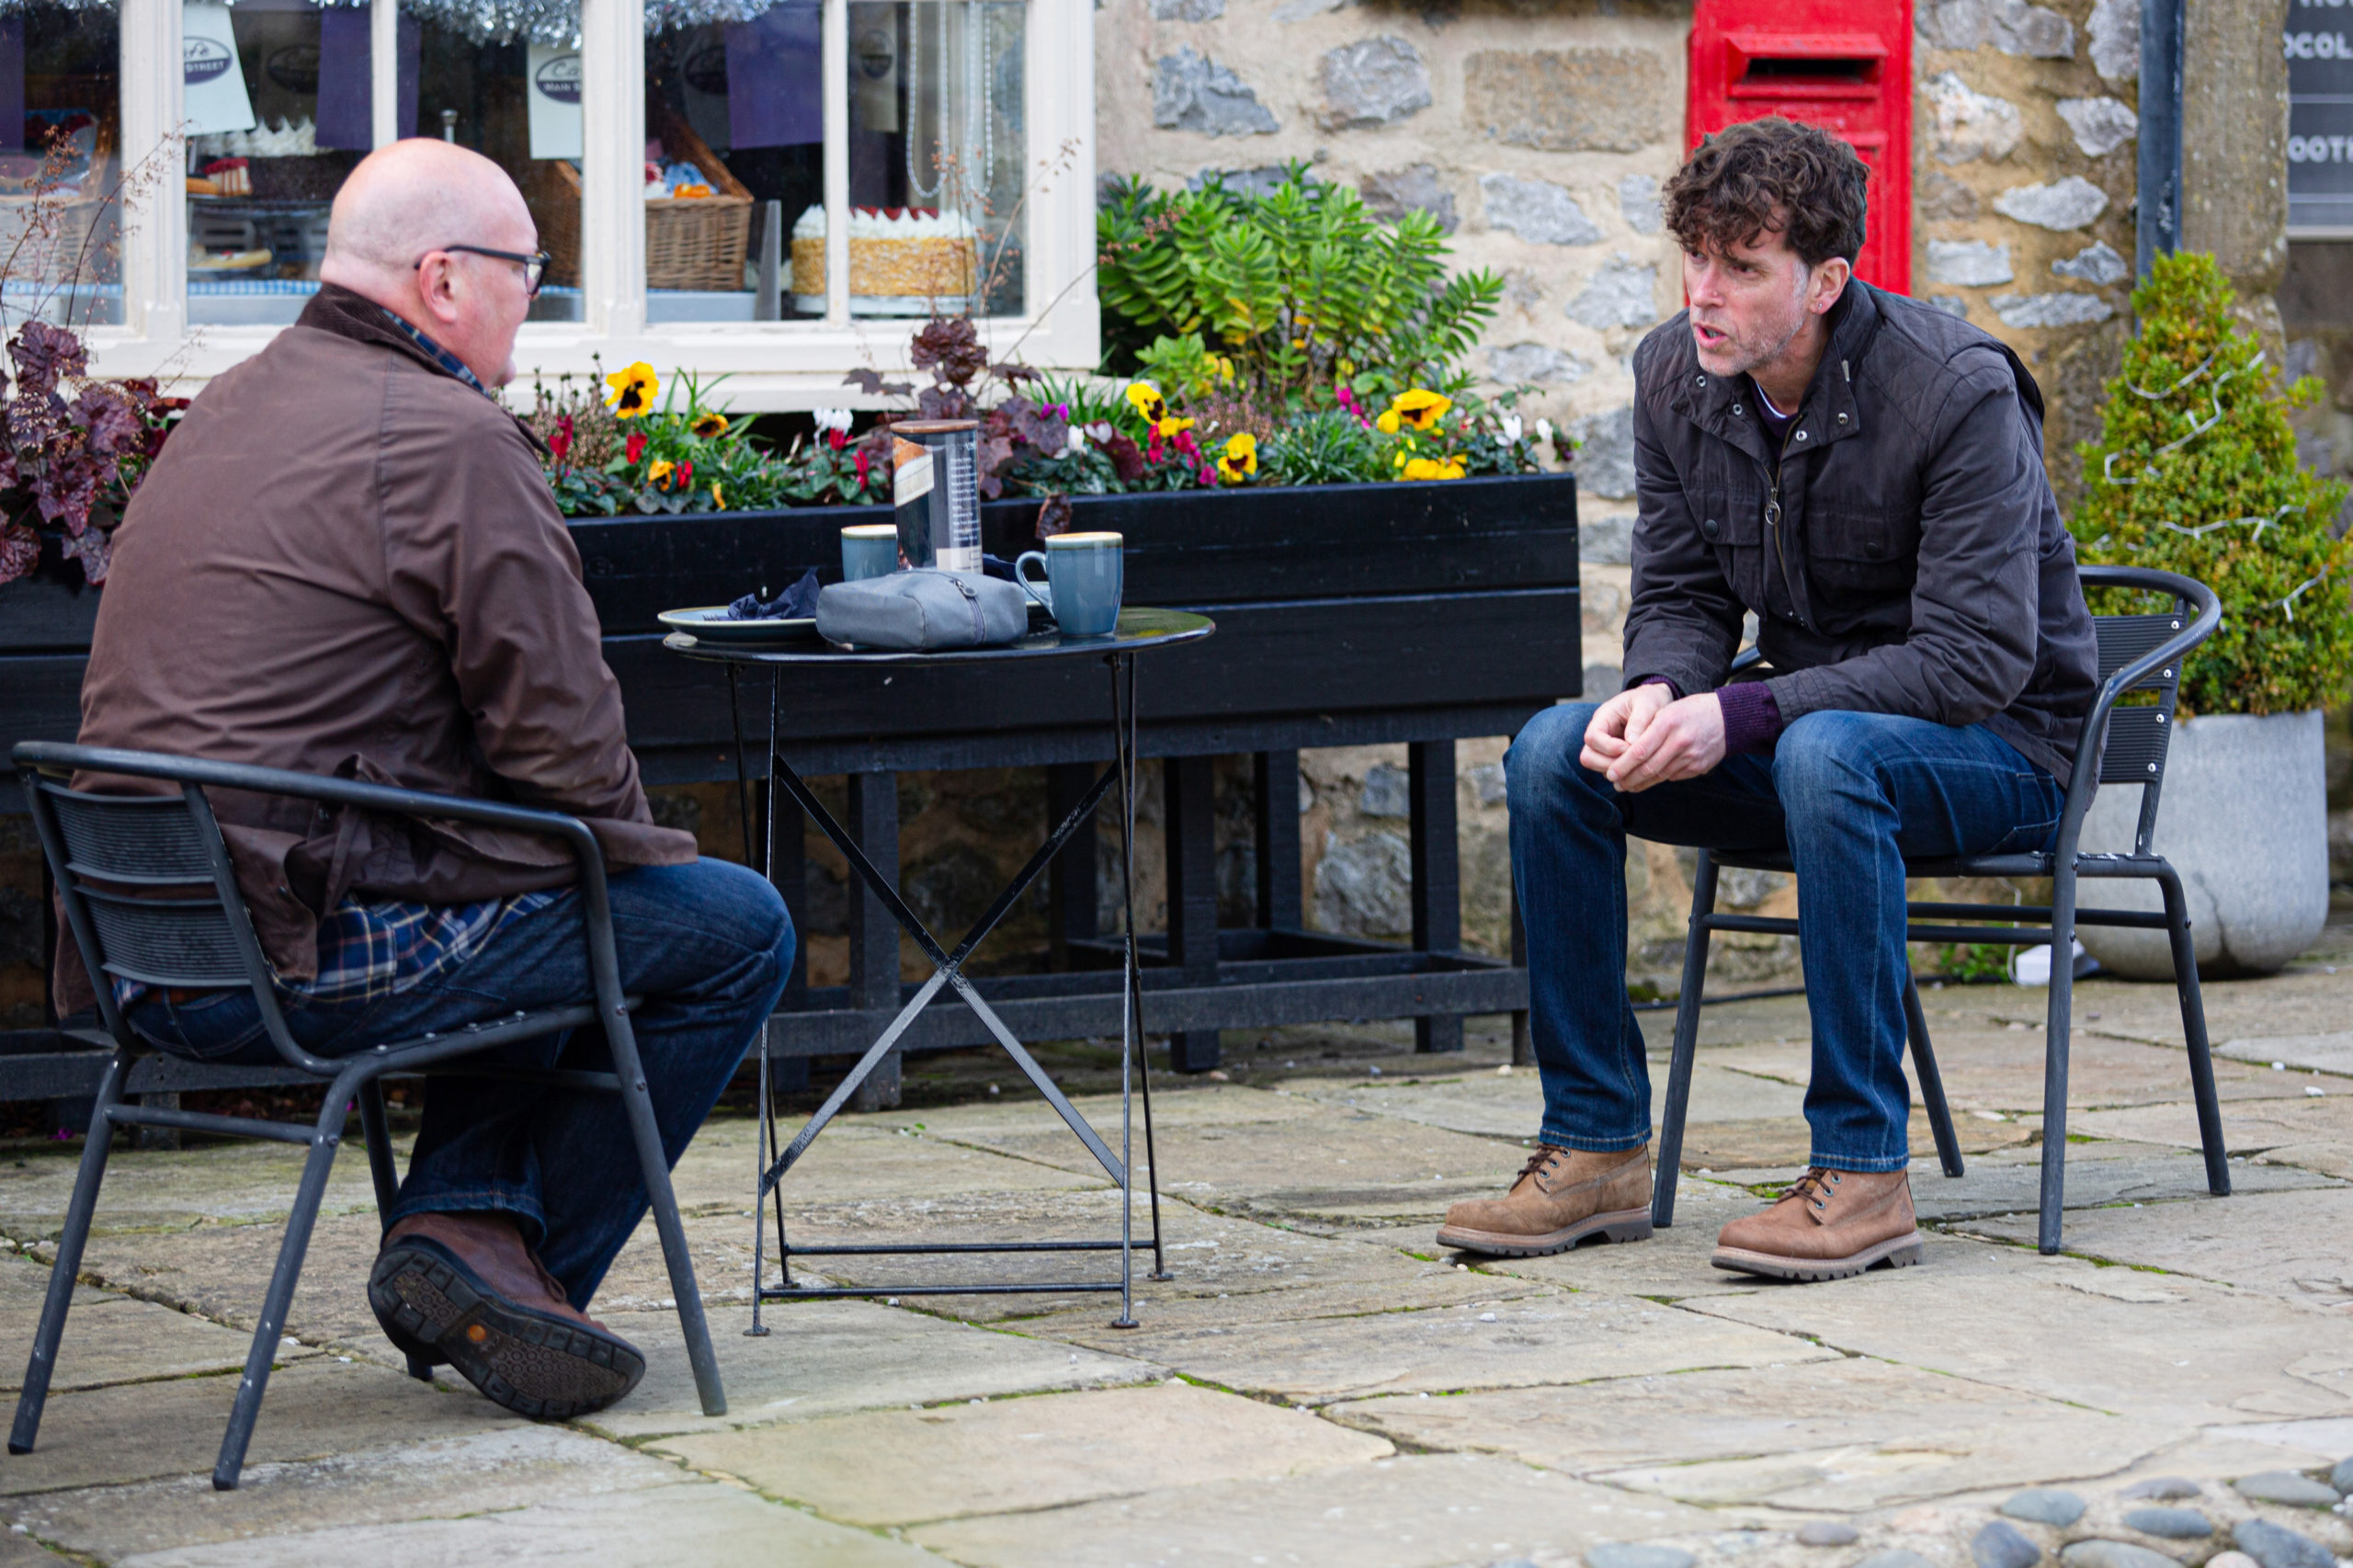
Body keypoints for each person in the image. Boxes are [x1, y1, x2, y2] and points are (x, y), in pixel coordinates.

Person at [67, 139, 792, 1415]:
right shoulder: (448, 436)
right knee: (719, 923)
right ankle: (500, 1275)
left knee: (544, 895)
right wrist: (616, 853)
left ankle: (466, 1218)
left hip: (146, 949)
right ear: (445, 278)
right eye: (530, 269)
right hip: (294, 953)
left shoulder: (226, 407)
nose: (539, 296)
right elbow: (567, 748)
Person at [1438, 117, 2097, 1281]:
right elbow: (1684, 592)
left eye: (1741, 268)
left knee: (1827, 751)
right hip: (1812, 740)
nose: (1705, 293)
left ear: (1826, 280)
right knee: (1554, 751)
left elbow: (1975, 657)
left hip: (2003, 752)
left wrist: (1739, 715)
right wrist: (1656, 693)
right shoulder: (1674, 377)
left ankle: (1862, 1169)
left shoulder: (1955, 391)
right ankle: (1593, 1145)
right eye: (1694, 257)